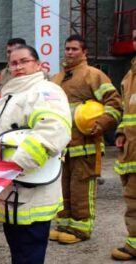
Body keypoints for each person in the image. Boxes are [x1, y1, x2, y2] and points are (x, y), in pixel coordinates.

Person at [0, 44, 71, 264]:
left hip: (31, 186)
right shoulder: (10, 95)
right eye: (13, 63)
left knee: (29, 254)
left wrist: (18, 162)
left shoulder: (45, 91)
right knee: (19, 252)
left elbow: (53, 130)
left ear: (37, 64)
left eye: (24, 61)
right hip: (12, 187)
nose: (18, 67)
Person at [50, 35, 122, 244]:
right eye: (67, 49)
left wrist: (100, 124)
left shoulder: (93, 75)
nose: (70, 52)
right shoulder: (57, 78)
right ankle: (64, 223)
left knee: (81, 187)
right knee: (63, 188)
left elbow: (114, 103)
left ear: (85, 52)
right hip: (63, 146)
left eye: (74, 49)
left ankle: (81, 229)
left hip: (86, 145)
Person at [111, 29, 136, 261]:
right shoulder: (130, 75)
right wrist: (120, 132)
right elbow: (128, 112)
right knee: (132, 199)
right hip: (130, 150)